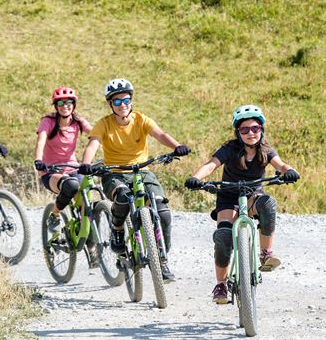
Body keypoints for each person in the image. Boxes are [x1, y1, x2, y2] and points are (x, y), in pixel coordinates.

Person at [184, 104, 300, 304]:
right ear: (238, 132)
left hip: (252, 195)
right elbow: (211, 165)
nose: (250, 133)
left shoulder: (266, 150)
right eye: (244, 130)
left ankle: (265, 254)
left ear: (261, 129)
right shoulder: (229, 149)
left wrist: (289, 171)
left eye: (255, 128)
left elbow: (280, 165)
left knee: (268, 205)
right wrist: (196, 178)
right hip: (228, 197)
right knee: (223, 236)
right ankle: (221, 284)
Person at [78, 78, 190, 283]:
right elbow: (93, 144)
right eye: (118, 101)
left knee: (162, 211)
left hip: (141, 171)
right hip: (114, 172)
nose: (123, 105)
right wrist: (86, 164)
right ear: (110, 104)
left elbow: (160, 134)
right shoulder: (104, 124)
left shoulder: (141, 119)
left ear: (132, 100)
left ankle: (161, 259)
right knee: (121, 197)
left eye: (126, 100)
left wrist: (177, 147)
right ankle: (118, 231)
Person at [33, 87, 93, 240]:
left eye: (68, 103)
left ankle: (92, 247)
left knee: (87, 204)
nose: (65, 106)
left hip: (73, 168)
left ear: (74, 104)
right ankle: (55, 214)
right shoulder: (48, 121)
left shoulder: (78, 122)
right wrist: (38, 160)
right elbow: (41, 141)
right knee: (71, 186)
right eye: (60, 103)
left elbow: (96, 134)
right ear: (55, 106)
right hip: (51, 172)